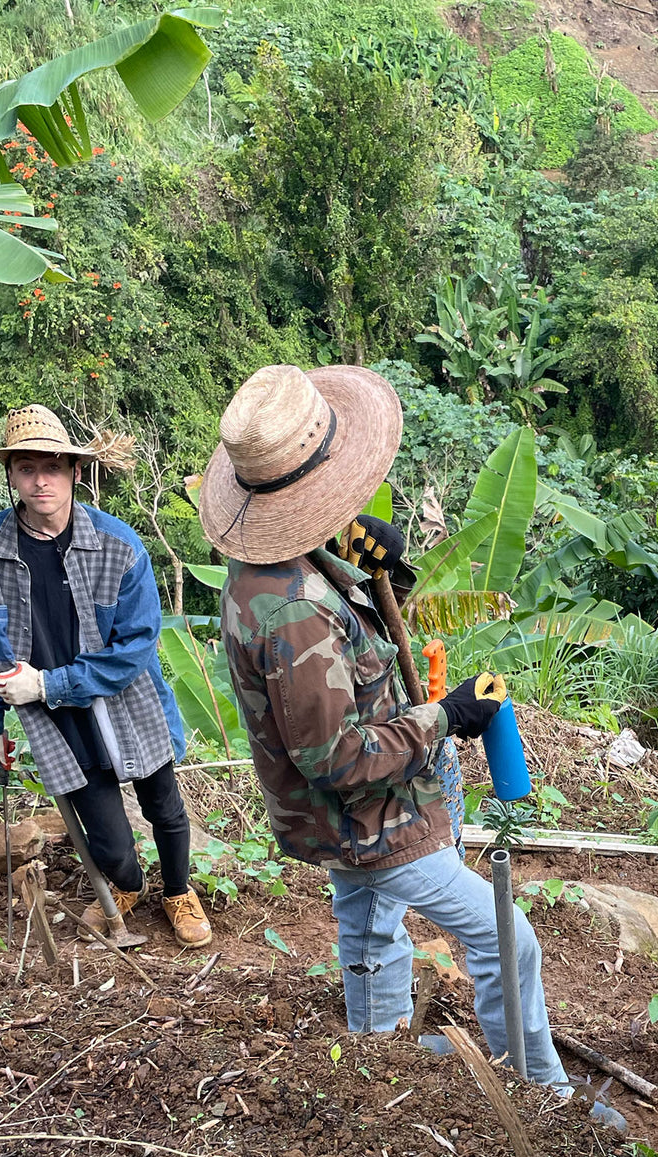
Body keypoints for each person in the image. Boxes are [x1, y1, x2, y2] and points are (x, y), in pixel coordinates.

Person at [202, 363, 568, 1084]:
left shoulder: (278, 569)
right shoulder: (293, 610)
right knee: (506, 937)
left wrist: (379, 574)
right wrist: (446, 713)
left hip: (349, 818)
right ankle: (538, 1089)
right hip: (366, 818)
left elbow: (345, 658)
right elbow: (338, 758)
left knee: (371, 926)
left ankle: (376, 1061)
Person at [0, 406, 211, 949]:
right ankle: (128, 885)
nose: (40, 480)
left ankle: (178, 891)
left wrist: (48, 683)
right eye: (26, 468)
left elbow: (137, 647)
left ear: (75, 471)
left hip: (124, 698)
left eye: (53, 467)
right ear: (10, 475)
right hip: (52, 717)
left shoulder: (119, 545)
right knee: (107, 835)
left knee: (163, 806)